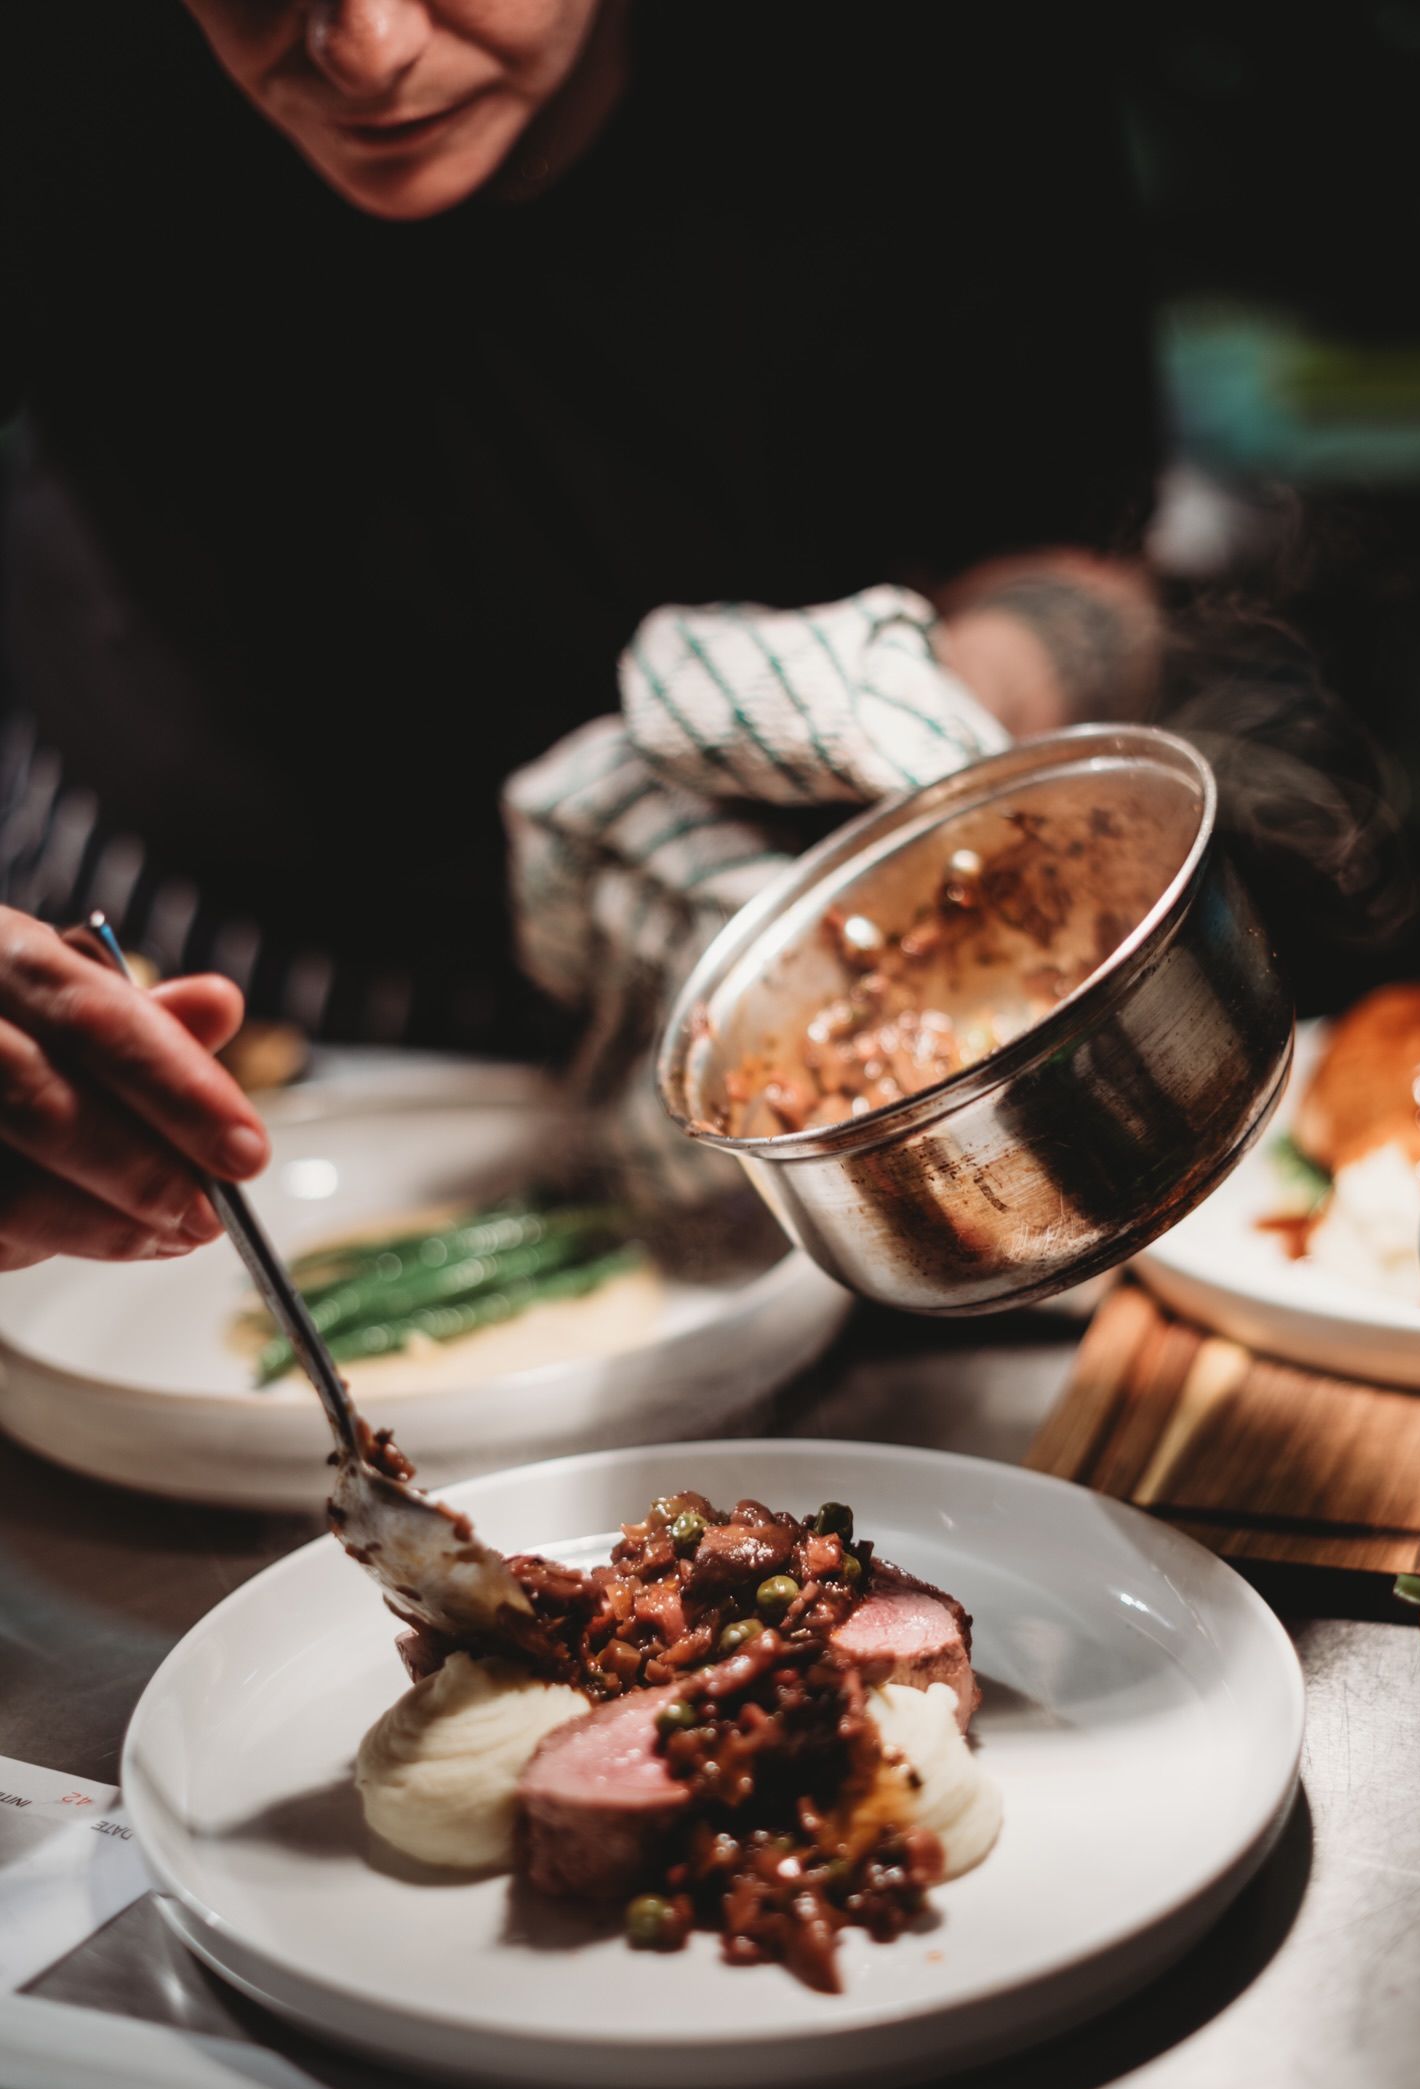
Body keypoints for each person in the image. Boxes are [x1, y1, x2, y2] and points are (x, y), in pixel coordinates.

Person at [0, 0, 1162, 1272]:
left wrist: (919, 716)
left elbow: (1074, 559)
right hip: (154, 934)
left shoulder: (949, 57)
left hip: (725, 975)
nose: (369, 50)